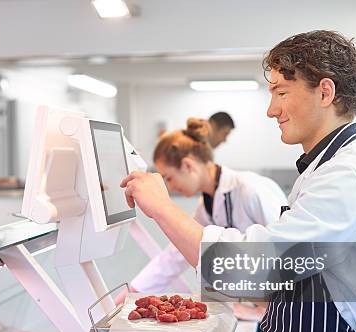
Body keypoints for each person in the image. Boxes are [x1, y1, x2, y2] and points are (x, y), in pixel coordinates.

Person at [120, 30, 356, 332]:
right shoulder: (325, 169)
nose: (272, 110)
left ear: (325, 92)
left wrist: (162, 207)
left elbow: (250, 267)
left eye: (281, 93)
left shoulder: (347, 176)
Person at [117, 118, 285, 321]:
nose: (169, 187)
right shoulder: (205, 206)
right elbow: (176, 255)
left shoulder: (252, 190)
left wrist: (264, 309)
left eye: (169, 178)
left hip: (283, 312)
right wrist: (132, 292)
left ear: (187, 165)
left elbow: (287, 252)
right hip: (254, 304)